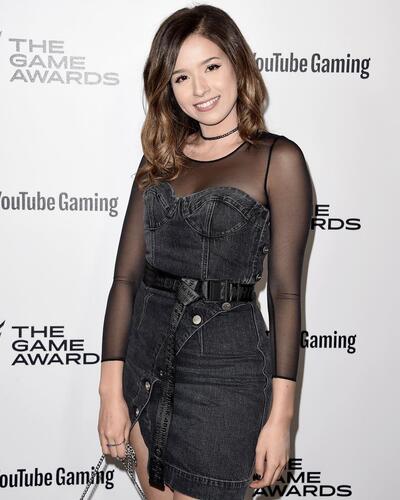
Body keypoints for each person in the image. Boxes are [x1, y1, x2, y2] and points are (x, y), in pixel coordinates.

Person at [98, 4, 313, 500]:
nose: (200, 89)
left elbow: (285, 295)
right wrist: (110, 389)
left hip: (226, 374)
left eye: (211, 66)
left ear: (237, 63)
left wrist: (281, 418)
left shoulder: (277, 160)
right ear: (167, 88)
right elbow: (126, 279)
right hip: (146, 363)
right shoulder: (159, 159)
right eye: (181, 77)